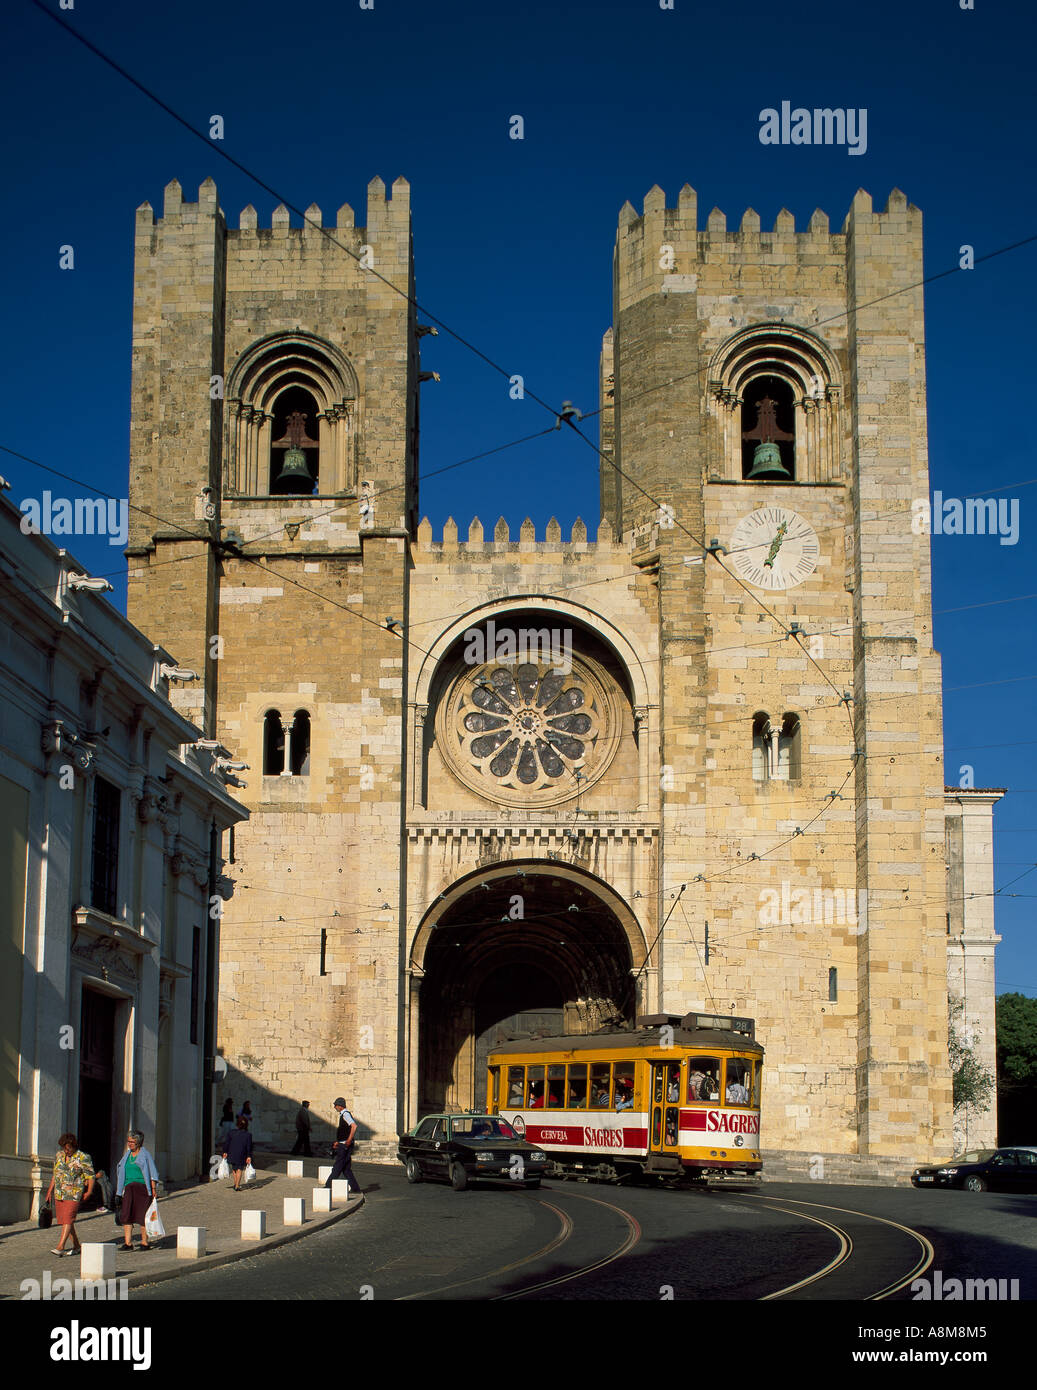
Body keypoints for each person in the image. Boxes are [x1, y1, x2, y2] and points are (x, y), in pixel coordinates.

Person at [44, 1133, 95, 1257]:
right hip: (60, 1193)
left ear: (73, 1146)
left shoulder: (83, 1157)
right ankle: (77, 1246)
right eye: (64, 1148)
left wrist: (89, 1191)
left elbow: (90, 1175)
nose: (66, 1151)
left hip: (74, 1193)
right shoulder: (59, 1155)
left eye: (68, 1148)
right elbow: (55, 1174)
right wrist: (49, 1191)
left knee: (68, 1217)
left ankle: (60, 1246)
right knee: (66, 1220)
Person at [116, 1130, 160, 1250]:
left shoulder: (145, 1154)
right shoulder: (127, 1155)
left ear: (139, 1142)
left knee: (142, 1216)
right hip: (128, 1189)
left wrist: (153, 1189)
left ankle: (145, 1242)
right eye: (128, 1141)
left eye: (132, 1142)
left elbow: (152, 1173)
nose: (129, 1144)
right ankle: (128, 1243)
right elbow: (121, 1172)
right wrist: (119, 1192)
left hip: (142, 1189)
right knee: (126, 1215)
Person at [324, 1097, 363, 1198]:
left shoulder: (345, 1114)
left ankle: (328, 1187)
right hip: (343, 1143)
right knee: (346, 1169)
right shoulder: (343, 1115)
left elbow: (354, 1126)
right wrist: (338, 1141)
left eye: (336, 1105)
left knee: (337, 1166)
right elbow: (345, 1130)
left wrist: (348, 1140)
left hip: (345, 1145)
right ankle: (356, 1189)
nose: (335, 1107)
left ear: (340, 1106)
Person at [223, 1116, 254, 1191]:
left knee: (234, 1169)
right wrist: (249, 1156)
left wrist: (225, 1151)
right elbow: (249, 1147)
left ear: (237, 1124)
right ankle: (237, 1185)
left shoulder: (231, 1132)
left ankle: (235, 1183)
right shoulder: (248, 1135)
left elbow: (227, 1143)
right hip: (241, 1154)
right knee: (239, 1169)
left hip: (232, 1153)